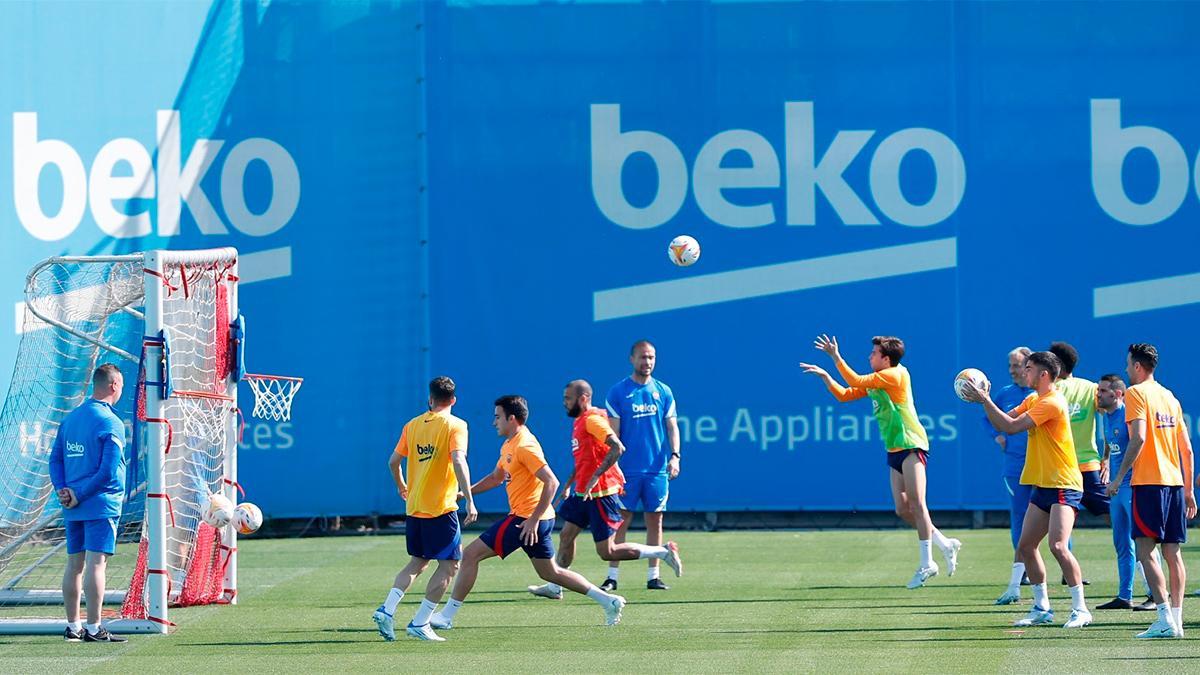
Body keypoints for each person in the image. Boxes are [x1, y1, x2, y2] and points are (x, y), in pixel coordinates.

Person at [430, 395, 626, 632]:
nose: (494, 423)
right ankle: (609, 601)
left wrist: (532, 520)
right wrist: (464, 494)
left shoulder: (525, 445)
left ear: (512, 418)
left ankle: (446, 616)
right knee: (550, 572)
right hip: (533, 519)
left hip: (526, 519)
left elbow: (551, 482)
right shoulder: (509, 444)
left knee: (470, 555)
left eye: (497, 417)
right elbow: (496, 477)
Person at [800, 335, 960, 589]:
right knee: (902, 509)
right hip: (894, 449)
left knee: (918, 504)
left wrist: (835, 357)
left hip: (911, 444)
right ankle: (944, 543)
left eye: (874, 353)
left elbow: (854, 379)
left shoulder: (895, 375)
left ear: (886, 358)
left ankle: (927, 563)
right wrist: (826, 377)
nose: (869, 356)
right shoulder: (878, 381)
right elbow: (845, 394)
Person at [962, 351, 1091, 629]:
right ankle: (1042, 607)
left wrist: (985, 399)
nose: (1024, 372)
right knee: (1026, 545)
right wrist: (984, 401)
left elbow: (1011, 426)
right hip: (1043, 484)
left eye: (1029, 368)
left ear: (1044, 374)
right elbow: (1001, 423)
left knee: (1058, 546)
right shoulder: (1033, 398)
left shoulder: (1052, 402)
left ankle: (1080, 609)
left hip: (1063, 483)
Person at [528, 380, 682, 600]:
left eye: (568, 398)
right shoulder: (580, 420)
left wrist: (596, 477)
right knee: (566, 535)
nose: (564, 403)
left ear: (583, 399)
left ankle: (664, 552)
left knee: (607, 551)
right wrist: (569, 484)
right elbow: (584, 459)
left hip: (600, 494)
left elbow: (618, 447)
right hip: (583, 492)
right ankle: (555, 586)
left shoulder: (591, 420)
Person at [372, 377, 477, 642]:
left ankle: (387, 609)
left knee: (418, 562)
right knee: (451, 566)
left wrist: (401, 486)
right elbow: (458, 459)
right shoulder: (456, 424)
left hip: (415, 506)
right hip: (440, 508)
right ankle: (421, 622)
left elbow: (393, 462)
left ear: (430, 399)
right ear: (453, 400)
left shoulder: (413, 425)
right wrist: (470, 499)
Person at [1106, 343, 1196, 639]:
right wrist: (1188, 490)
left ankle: (1164, 618)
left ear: (1137, 367)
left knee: (1146, 551)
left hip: (1148, 482)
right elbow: (1187, 448)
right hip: (1173, 483)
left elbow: (1139, 437)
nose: (1126, 368)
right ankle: (1177, 621)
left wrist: (1118, 477)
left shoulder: (1135, 393)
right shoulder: (1170, 397)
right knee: (1173, 553)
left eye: (1128, 363)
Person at [48, 364, 129, 643]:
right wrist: (79, 494)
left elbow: (55, 460)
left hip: (72, 506)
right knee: (96, 565)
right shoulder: (111, 422)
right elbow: (107, 471)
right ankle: (94, 628)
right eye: (121, 386)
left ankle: (73, 627)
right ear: (114, 386)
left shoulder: (71, 419)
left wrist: (63, 491)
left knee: (74, 565)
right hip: (99, 503)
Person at [603, 340, 680, 591]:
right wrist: (613, 466)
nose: (647, 362)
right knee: (620, 522)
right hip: (627, 470)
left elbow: (671, 426)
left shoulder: (664, 391)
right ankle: (612, 576)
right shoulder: (618, 392)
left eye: (651, 357)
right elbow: (613, 434)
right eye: (643, 357)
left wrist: (675, 456)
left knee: (655, 521)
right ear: (632, 359)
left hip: (656, 469)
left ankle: (653, 576)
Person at [1094, 373, 1155, 612]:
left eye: (1103, 391)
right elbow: (1111, 442)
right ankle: (1124, 595)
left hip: (1130, 485)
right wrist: (1106, 459)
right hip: (1116, 488)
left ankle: (1154, 594)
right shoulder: (1106, 417)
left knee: (1142, 542)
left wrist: (1119, 478)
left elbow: (1137, 443)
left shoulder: (1128, 415)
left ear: (1118, 394)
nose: (1098, 394)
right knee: (1121, 542)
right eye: (1098, 390)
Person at [989, 347, 1034, 605]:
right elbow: (990, 420)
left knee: (1055, 520)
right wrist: (997, 434)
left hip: (1044, 467)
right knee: (1019, 517)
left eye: (1016, 365)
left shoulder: (1041, 396)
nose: (1012, 370)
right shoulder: (1005, 394)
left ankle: (1064, 570)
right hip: (1015, 467)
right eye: (1010, 365)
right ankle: (1021, 576)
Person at [1047, 342, 1109, 520]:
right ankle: (1141, 546)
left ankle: (1062, 548)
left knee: (1058, 519)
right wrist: (1107, 457)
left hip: (1060, 469)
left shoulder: (1048, 392)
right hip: (1088, 464)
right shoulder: (1091, 388)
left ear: (1056, 365)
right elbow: (1112, 419)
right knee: (1111, 513)